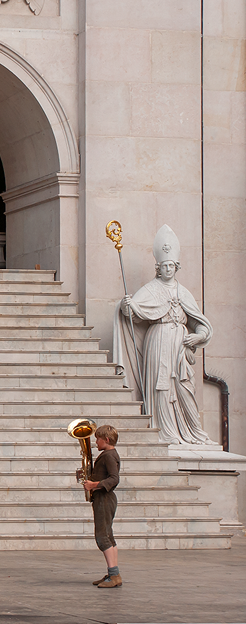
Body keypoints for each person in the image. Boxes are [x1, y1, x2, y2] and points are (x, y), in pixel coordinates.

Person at [113, 224, 214, 445]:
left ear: (176, 267)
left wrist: (197, 337)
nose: (168, 269)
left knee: (185, 389)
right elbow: (133, 315)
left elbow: (201, 324)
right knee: (161, 388)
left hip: (179, 347)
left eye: (171, 266)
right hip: (158, 342)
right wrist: (127, 306)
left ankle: (192, 432)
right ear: (158, 268)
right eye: (164, 266)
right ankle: (164, 431)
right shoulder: (150, 289)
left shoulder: (183, 292)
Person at [84, 424, 122, 588]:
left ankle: (114, 575)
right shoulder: (109, 454)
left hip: (104, 498)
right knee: (108, 536)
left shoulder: (109, 456)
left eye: (98, 439)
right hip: (104, 498)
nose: (96, 442)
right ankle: (113, 574)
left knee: (102, 537)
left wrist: (93, 484)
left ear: (106, 439)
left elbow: (114, 478)